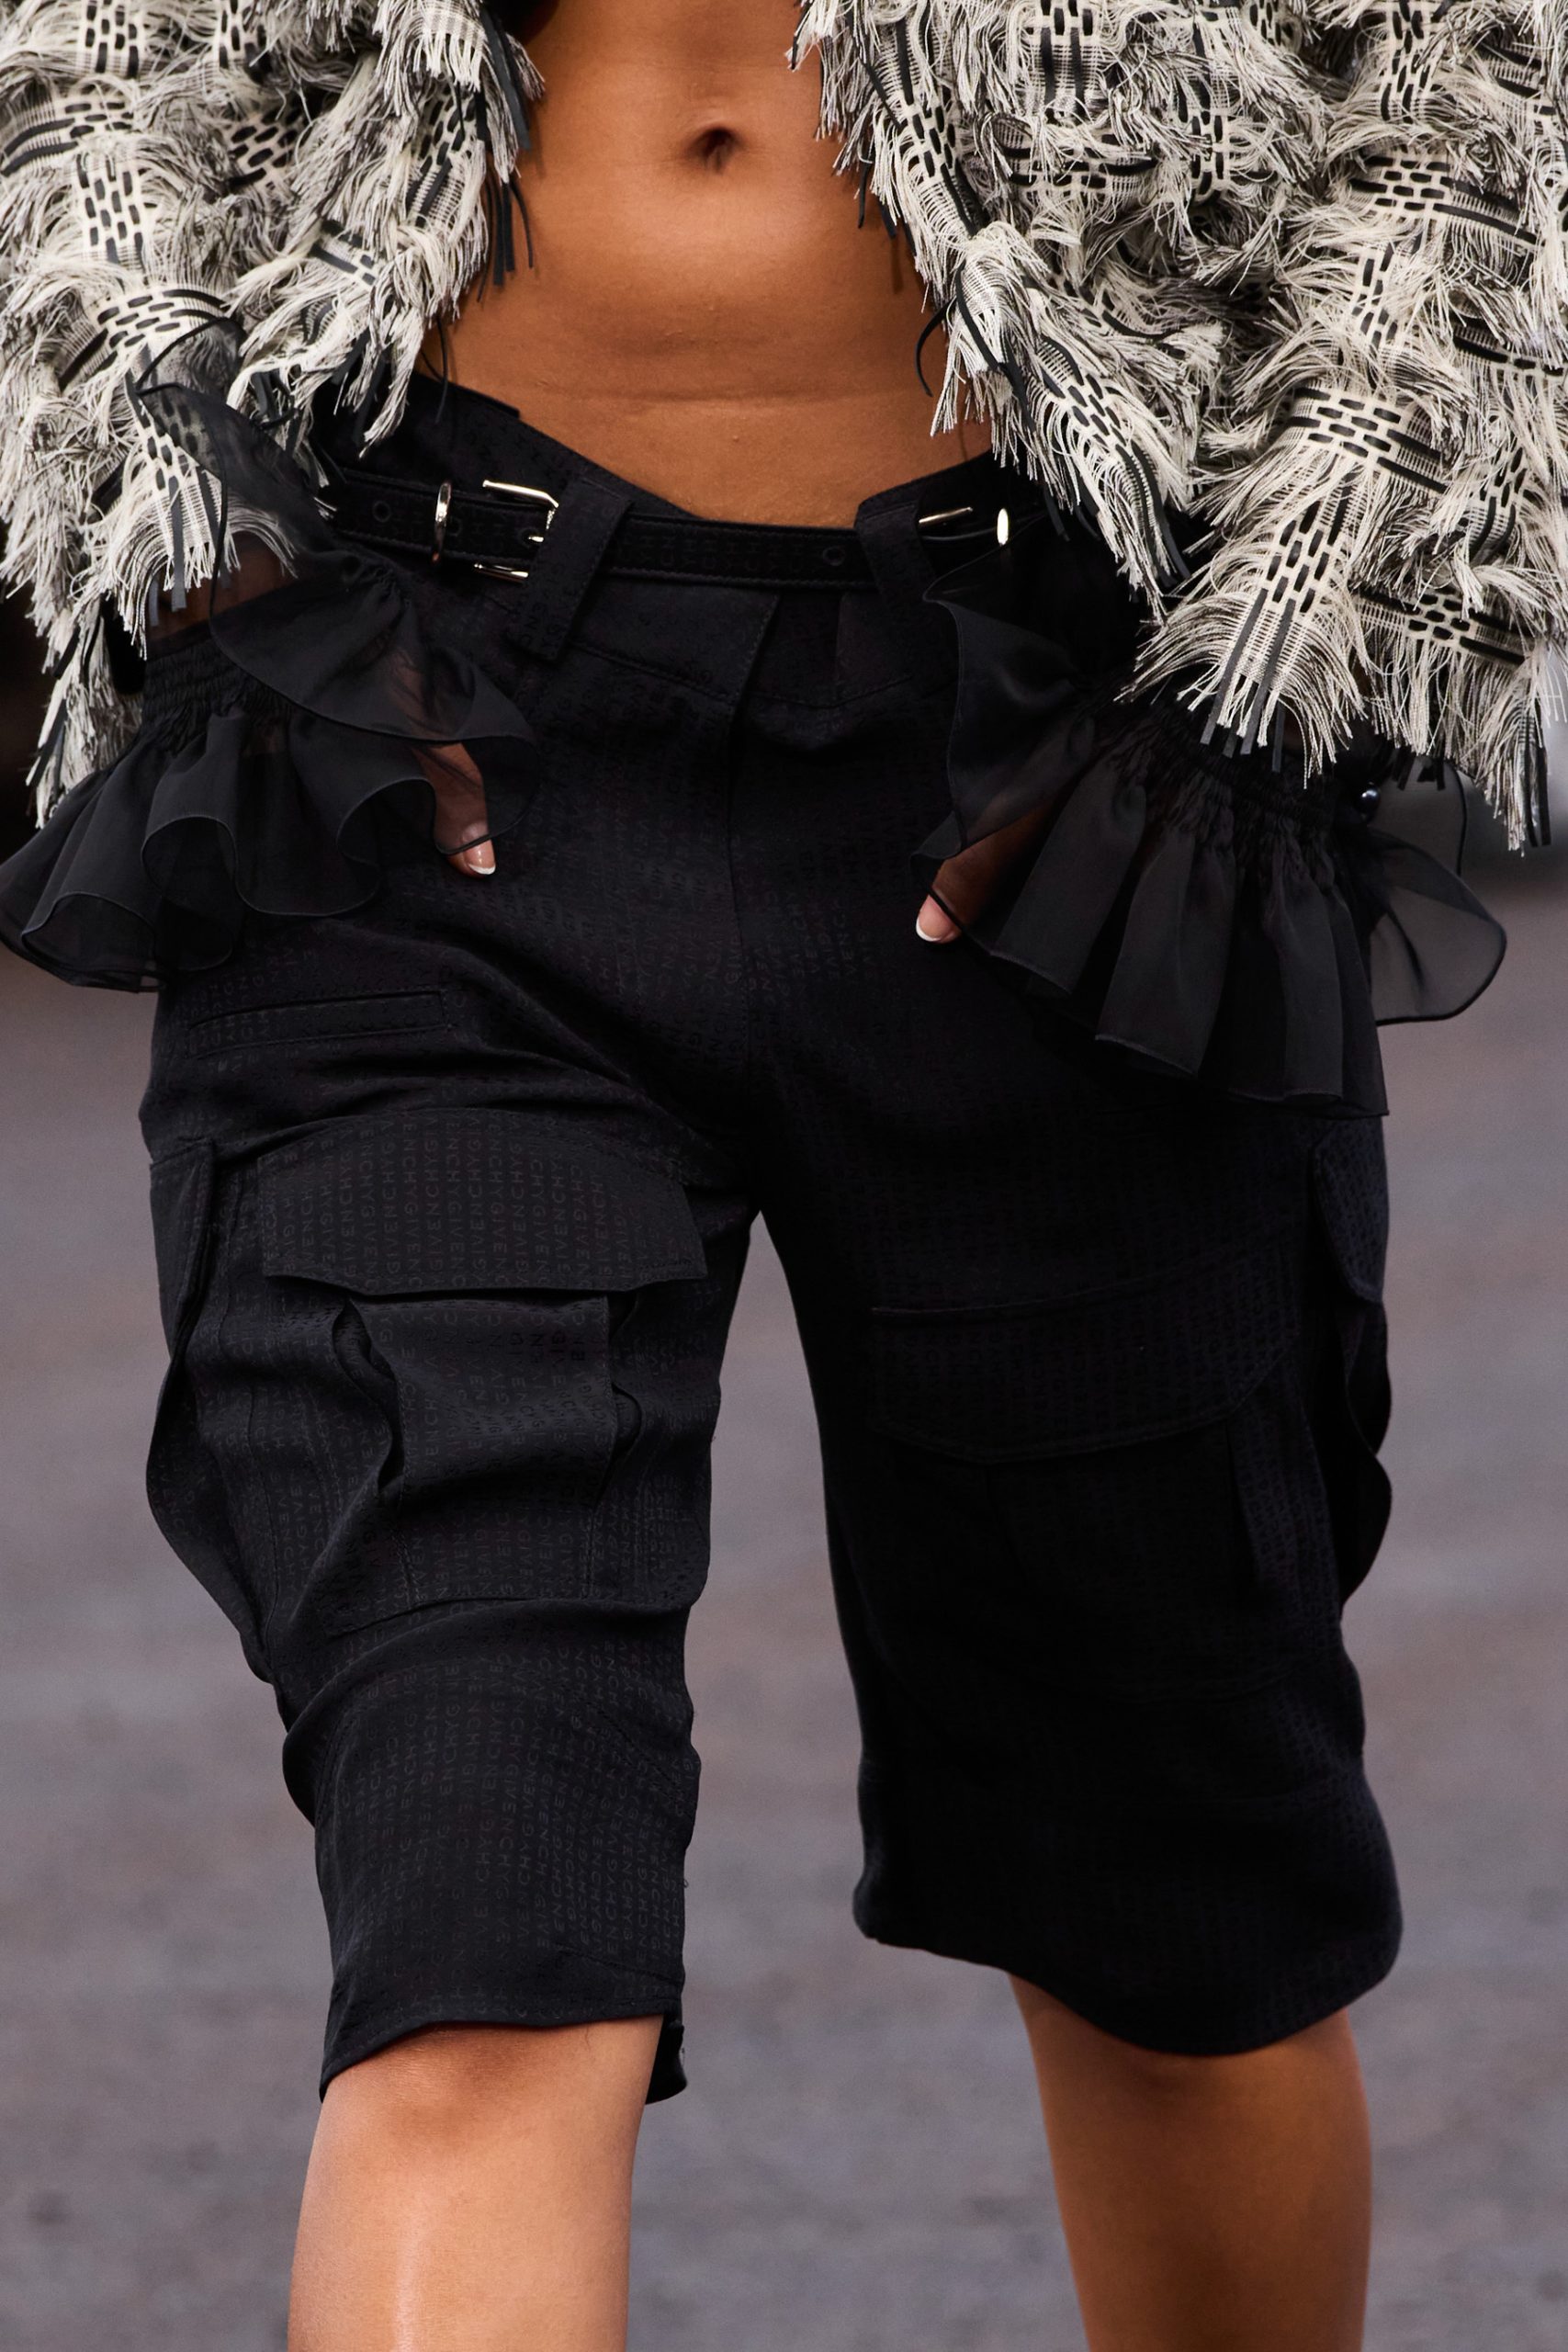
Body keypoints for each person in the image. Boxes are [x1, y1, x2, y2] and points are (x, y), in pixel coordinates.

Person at [0, 2, 1531, 2346]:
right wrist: (205, 550)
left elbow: (1478, 105)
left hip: (1069, 741)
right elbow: (82, 52)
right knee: (474, 1907)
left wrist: (1258, 683)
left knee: (1172, 1912)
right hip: (428, 749)